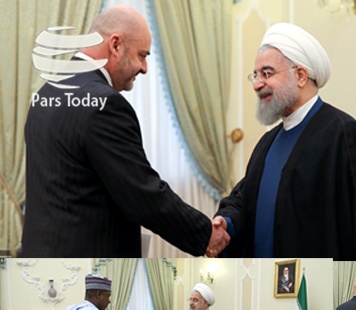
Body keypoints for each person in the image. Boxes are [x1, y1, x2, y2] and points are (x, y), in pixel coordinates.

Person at [22, 5, 228, 257]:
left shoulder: (46, 93)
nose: (144, 68)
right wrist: (205, 234)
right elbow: (142, 194)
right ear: (116, 45)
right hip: (89, 259)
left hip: (41, 256)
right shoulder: (105, 104)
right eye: (142, 56)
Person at [214, 23, 356, 259]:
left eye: (267, 73)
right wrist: (226, 223)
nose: (257, 84)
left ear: (300, 75)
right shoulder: (268, 142)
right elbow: (244, 199)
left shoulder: (342, 134)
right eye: (255, 75)